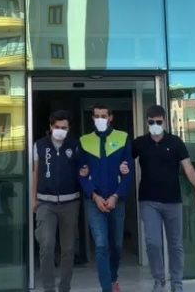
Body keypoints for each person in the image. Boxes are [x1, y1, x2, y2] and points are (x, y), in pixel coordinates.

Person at [132, 105, 195, 292]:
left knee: (175, 244)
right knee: (153, 243)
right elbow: (123, 161)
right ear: (147, 122)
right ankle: (159, 280)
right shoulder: (140, 143)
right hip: (148, 200)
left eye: (158, 122)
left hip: (173, 201)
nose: (155, 125)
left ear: (165, 121)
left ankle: (177, 283)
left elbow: (188, 167)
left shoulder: (175, 142)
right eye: (151, 122)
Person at [78, 104, 134, 292]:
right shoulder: (84, 141)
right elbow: (81, 174)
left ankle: (113, 277)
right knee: (101, 246)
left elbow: (129, 172)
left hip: (117, 201)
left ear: (111, 117)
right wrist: (94, 196)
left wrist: (116, 196)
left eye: (104, 116)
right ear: (92, 118)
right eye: (96, 116)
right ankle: (107, 288)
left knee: (116, 245)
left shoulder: (122, 138)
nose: (100, 119)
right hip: (94, 201)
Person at [32, 110, 83, 292]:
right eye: (57, 127)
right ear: (51, 127)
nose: (60, 130)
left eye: (64, 128)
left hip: (70, 203)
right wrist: (33, 199)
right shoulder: (40, 145)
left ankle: (64, 287)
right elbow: (35, 173)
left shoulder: (75, 145)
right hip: (45, 203)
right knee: (46, 245)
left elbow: (82, 169)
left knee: (68, 249)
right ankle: (49, 288)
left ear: (69, 129)